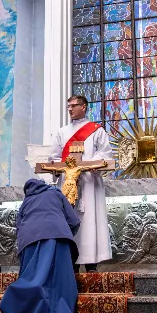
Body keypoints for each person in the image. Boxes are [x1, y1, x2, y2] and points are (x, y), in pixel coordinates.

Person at [0, 178, 80, 313]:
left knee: (33, 274)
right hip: (57, 235)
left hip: (29, 239)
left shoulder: (26, 202)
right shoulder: (56, 193)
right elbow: (73, 220)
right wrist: (67, 233)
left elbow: (19, 226)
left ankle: (23, 307)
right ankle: (61, 310)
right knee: (60, 277)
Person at [49, 95, 113, 272]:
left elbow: (106, 153)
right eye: (68, 106)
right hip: (68, 184)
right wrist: (56, 168)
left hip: (89, 182)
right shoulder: (62, 132)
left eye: (74, 105)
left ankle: (91, 262)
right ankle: (71, 263)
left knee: (90, 220)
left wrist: (93, 163)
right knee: (70, 221)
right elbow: (54, 158)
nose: (70, 109)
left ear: (84, 107)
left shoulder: (96, 131)